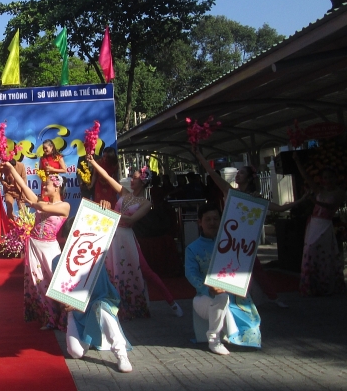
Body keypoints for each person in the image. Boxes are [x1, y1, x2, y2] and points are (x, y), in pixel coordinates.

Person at [194, 149, 305, 307]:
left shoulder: (255, 198)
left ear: (249, 178)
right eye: (237, 173)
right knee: (222, 269)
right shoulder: (229, 191)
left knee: (256, 269)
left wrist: (301, 201)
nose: (237, 175)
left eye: (241, 173)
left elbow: (279, 208)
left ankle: (272, 297)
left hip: (245, 241)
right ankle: (223, 299)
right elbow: (212, 172)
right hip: (228, 238)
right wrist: (199, 155)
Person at [88, 158, 183, 320]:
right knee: (109, 269)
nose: (131, 180)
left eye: (134, 178)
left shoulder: (146, 203)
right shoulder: (125, 193)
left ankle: (172, 302)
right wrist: (93, 162)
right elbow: (108, 177)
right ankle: (111, 305)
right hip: (113, 235)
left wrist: (110, 212)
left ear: (143, 181)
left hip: (127, 237)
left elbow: (131, 220)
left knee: (146, 271)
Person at [55, 217, 132, 373]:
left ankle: (121, 353)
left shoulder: (96, 256)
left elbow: (101, 290)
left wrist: (103, 209)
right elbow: (58, 293)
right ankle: (91, 335)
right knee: (76, 353)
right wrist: (66, 303)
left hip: (99, 302)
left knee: (102, 308)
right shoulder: (58, 261)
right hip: (76, 312)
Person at [185, 203, 261, 355]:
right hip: (204, 298)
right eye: (208, 219)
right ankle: (214, 339)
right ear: (200, 222)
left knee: (246, 318)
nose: (212, 223)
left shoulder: (231, 244)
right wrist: (208, 288)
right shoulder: (192, 248)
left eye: (215, 219)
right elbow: (191, 275)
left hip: (234, 296)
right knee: (221, 297)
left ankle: (233, 334)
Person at [1, 161, 69, 330]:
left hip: (50, 249)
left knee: (56, 282)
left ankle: (65, 316)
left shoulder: (64, 206)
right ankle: (48, 318)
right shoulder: (40, 201)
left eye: (47, 184)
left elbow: (40, 205)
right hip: (34, 246)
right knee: (39, 283)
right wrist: (11, 169)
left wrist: (34, 204)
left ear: (57, 187)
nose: (44, 187)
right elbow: (23, 186)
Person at [294, 155, 346, 296]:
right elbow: (305, 176)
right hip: (314, 224)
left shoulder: (340, 193)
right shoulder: (319, 190)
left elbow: (331, 206)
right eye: (325, 178)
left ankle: (326, 284)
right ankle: (310, 286)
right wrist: (297, 160)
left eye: (330, 177)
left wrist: (315, 201)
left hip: (325, 225)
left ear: (335, 178)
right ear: (322, 179)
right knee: (310, 252)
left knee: (324, 255)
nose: (328, 180)